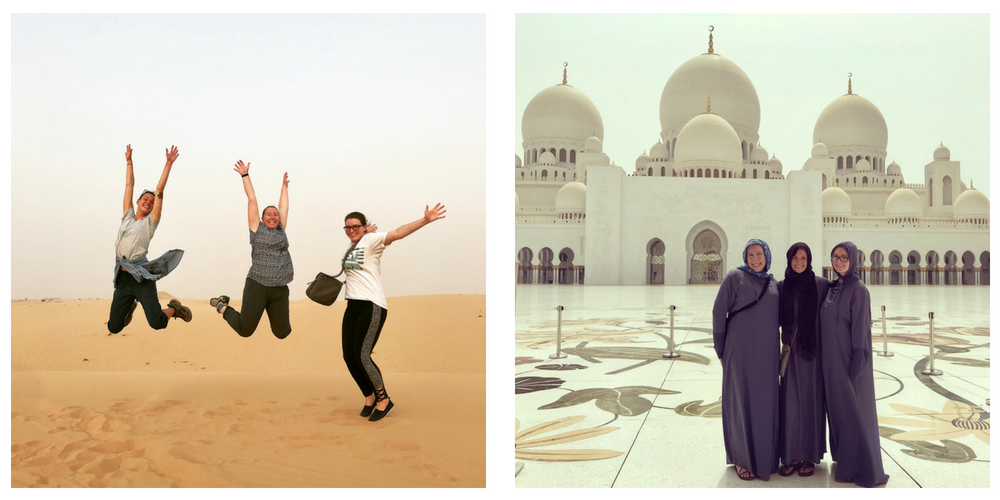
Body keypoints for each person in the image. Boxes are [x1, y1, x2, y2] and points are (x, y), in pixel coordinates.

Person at [340, 204, 446, 422]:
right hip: (352, 306)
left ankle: (384, 399)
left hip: (372, 305)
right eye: (347, 227)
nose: (351, 230)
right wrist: (365, 232)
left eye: (355, 226)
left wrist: (425, 220)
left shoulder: (372, 240)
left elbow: (398, 232)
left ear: (364, 226)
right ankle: (369, 397)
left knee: (362, 355)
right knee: (349, 356)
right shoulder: (354, 246)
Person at [820, 241, 889, 487]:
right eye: (835, 257)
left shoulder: (859, 290)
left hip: (850, 359)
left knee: (853, 413)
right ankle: (844, 459)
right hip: (830, 362)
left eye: (843, 257)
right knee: (838, 412)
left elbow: (861, 330)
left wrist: (859, 363)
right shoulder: (833, 288)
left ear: (852, 260)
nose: (838, 262)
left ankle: (857, 467)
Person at [712, 238, 779, 481]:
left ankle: (766, 457)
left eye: (759, 254)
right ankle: (742, 459)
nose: (755, 259)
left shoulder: (773, 283)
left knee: (764, 402)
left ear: (767, 255)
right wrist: (720, 350)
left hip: (767, 353)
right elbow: (719, 312)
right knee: (741, 400)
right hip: (739, 351)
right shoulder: (735, 278)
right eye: (750, 255)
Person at [108, 144, 191, 333]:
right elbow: (129, 185)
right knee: (114, 327)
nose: (148, 201)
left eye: (152, 201)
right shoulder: (127, 217)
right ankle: (129, 305)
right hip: (122, 277)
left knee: (157, 323)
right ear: (137, 202)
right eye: (145, 198)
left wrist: (168, 163)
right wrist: (129, 162)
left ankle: (174, 309)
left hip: (141, 275)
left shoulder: (150, 222)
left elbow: (160, 189)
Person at [210, 161, 294, 339]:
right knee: (245, 329)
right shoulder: (256, 228)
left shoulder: (281, 230)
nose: (273, 216)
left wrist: (284, 187)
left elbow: (284, 207)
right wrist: (245, 175)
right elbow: (252, 199)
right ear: (262, 218)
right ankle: (222, 306)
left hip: (279, 289)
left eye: (275, 214)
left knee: (282, 333)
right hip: (257, 285)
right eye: (268, 214)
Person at [777, 243, 830, 477]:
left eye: (804, 258)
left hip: (811, 354)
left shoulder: (821, 285)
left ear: (809, 260)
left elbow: (840, 303)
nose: (799, 262)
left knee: (810, 402)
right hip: (790, 354)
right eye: (795, 258)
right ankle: (791, 456)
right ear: (789, 260)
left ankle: (809, 455)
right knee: (790, 405)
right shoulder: (781, 287)